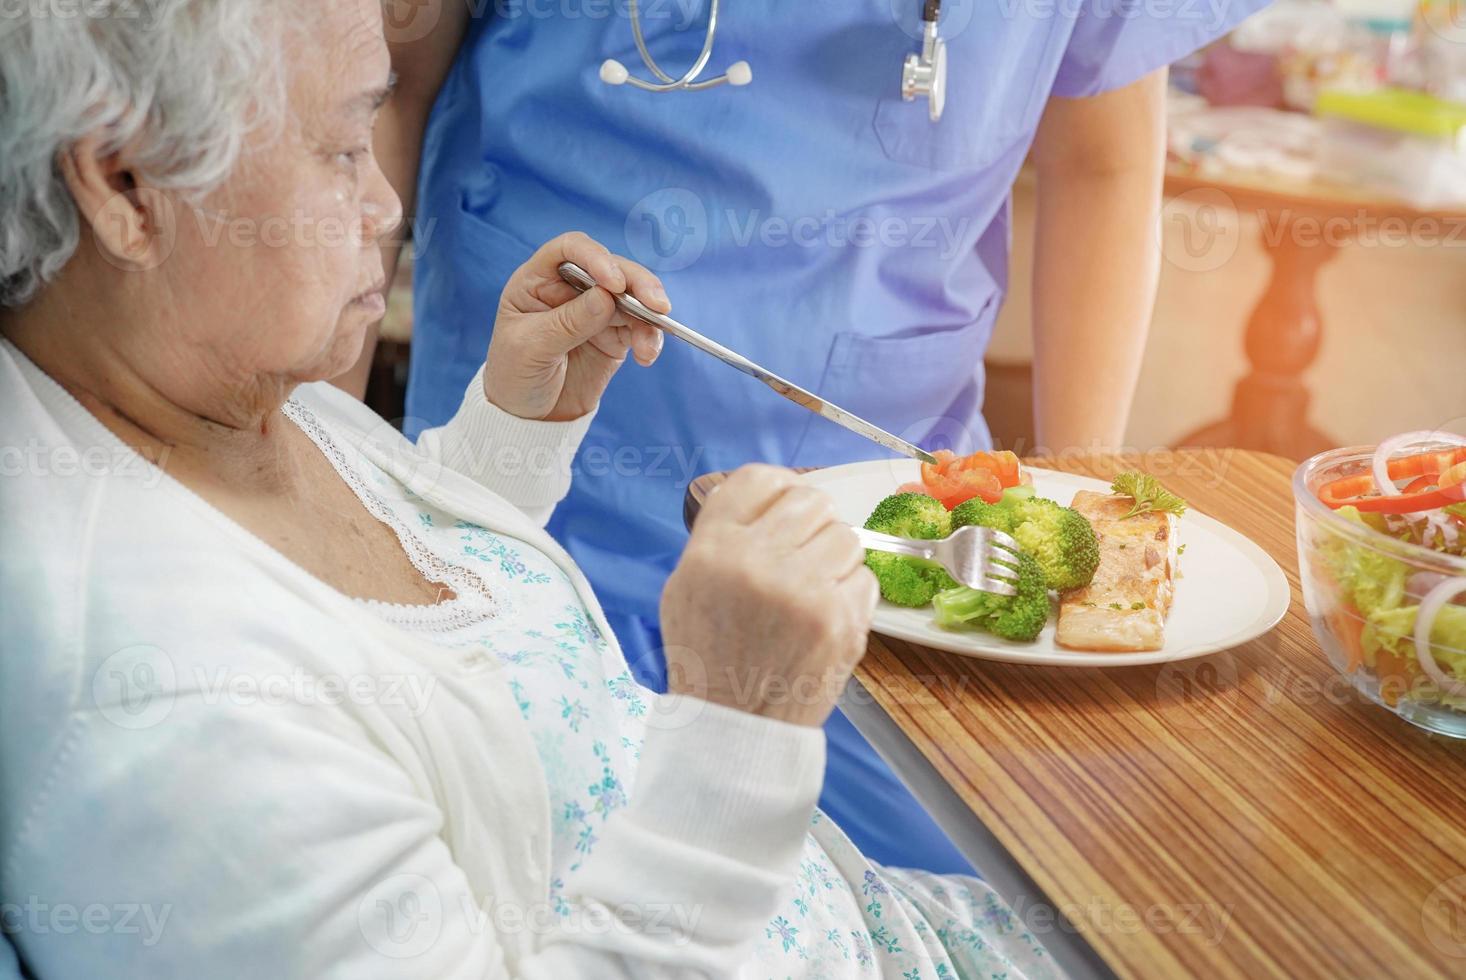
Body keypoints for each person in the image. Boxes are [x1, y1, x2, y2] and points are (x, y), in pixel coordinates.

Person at [0, 1, 1059, 975]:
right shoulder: (171, 717)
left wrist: (514, 429)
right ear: (124, 184)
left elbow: (395, 631)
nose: (382, 206)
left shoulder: (206, 387)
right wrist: (739, 725)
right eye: (335, 150)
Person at [352, 0, 1273, 872]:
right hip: (522, 469)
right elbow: (377, 84)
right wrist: (305, 463)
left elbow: (1102, 165)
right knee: (504, 856)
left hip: (890, 532)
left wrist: (1082, 560)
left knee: (960, 886)